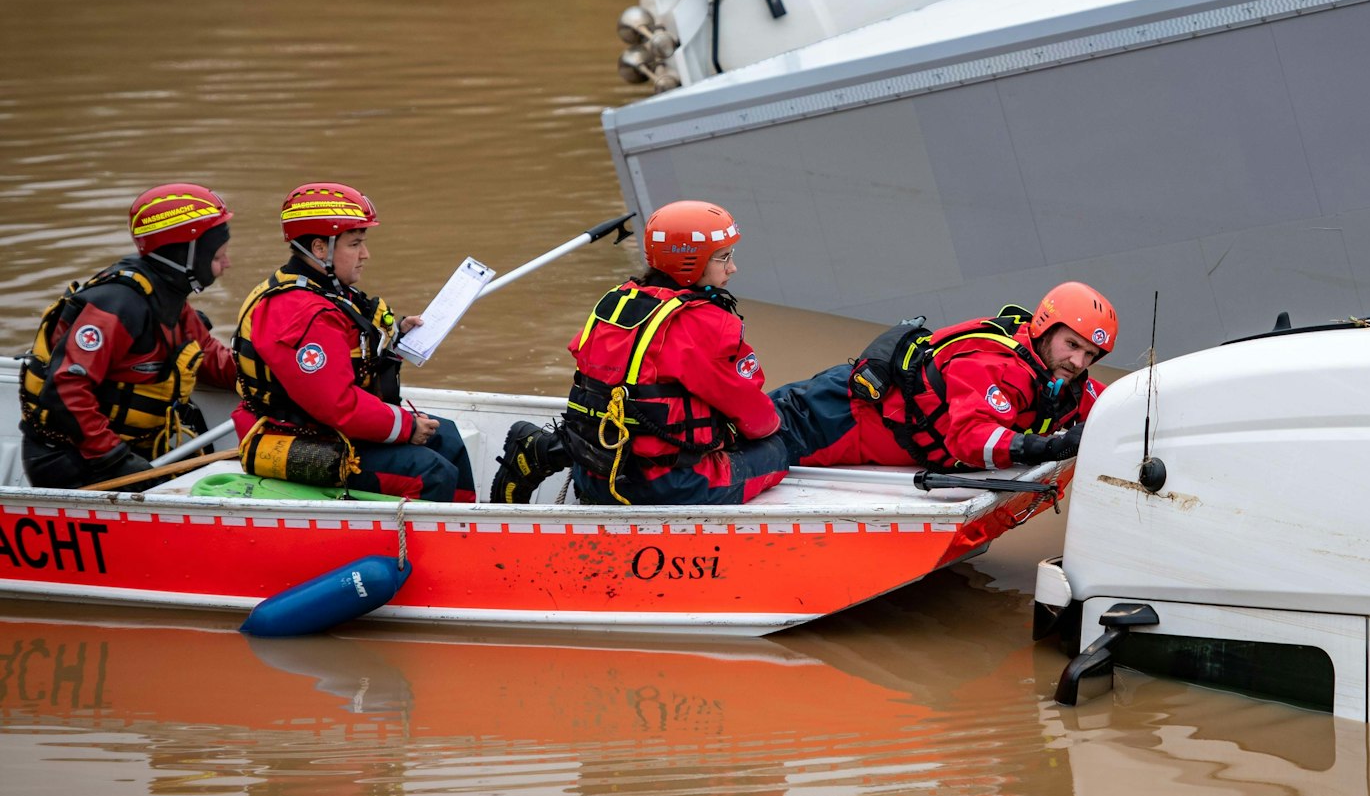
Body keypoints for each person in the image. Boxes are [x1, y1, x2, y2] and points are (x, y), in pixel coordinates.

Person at [490, 200, 789, 507]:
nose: (732, 267)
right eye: (723, 257)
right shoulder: (709, 324)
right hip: (668, 487)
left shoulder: (616, 302)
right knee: (777, 448)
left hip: (595, 473)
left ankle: (546, 449)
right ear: (692, 262)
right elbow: (756, 417)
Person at [230, 181, 474, 502]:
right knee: (429, 471)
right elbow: (338, 406)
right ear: (320, 249)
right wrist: (406, 426)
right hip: (295, 441)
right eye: (355, 244)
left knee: (449, 439)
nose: (365, 254)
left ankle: (466, 535)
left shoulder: (323, 289)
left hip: (325, 431)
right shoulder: (302, 313)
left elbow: (351, 342)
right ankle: (422, 549)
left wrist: (396, 332)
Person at [18, 183, 238, 488]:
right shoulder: (118, 306)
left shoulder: (170, 299)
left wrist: (268, 377)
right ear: (188, 254)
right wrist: (115, 459)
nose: (226, 264)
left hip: (130, 450)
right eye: (218, 255)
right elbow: (66, 389)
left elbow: (209, 356)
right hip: (72, 458)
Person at [768, 282, 1118, 473]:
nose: (1077, 361)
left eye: (1089, 354)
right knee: (728, 442)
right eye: (1071, 344)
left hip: (862, 431)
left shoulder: (1060, 374)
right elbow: (970, 438)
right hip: (830, 418)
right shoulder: (990, 364)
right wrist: (1051, 447)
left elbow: (1119, 403)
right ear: (1044, 329)